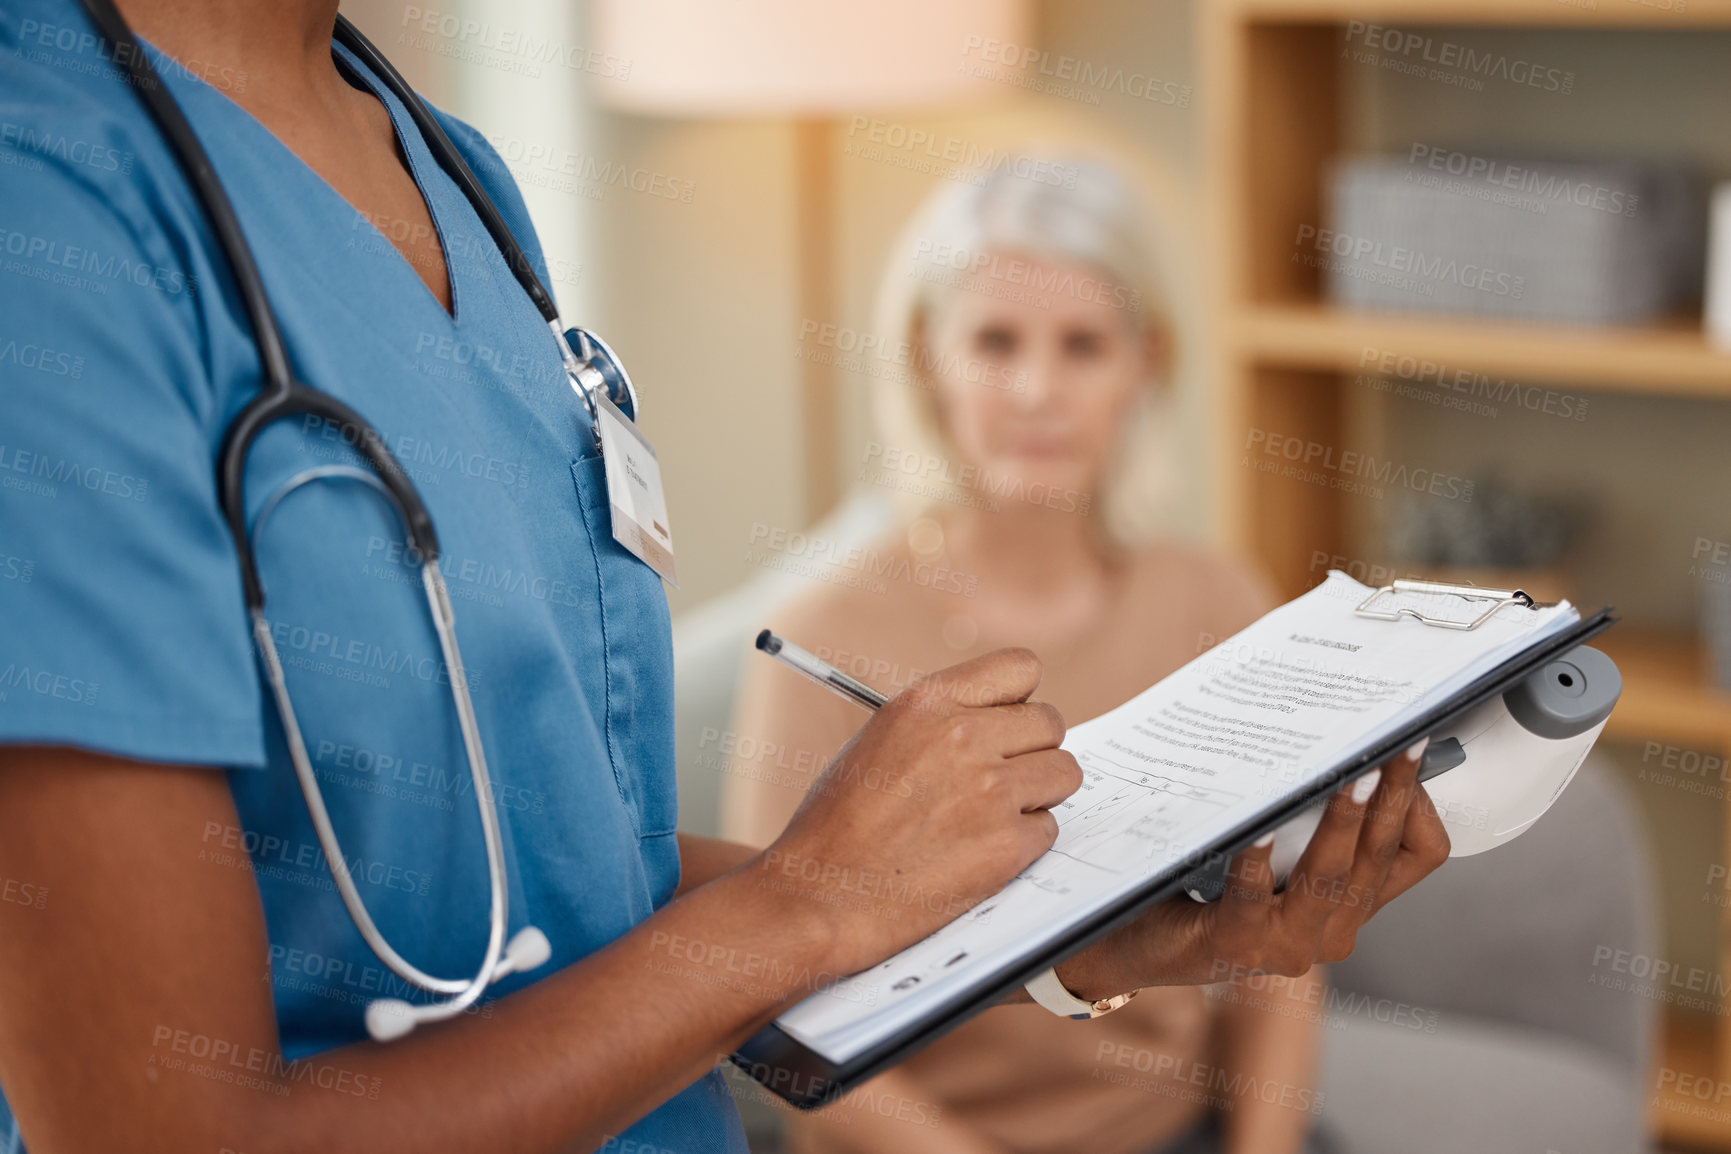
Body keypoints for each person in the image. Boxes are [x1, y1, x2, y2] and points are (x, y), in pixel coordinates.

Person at [0, 2, 1450, 1150]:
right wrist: (804, 903)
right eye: (996, 343)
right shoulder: (46, 214)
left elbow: (584, 864)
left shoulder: (450, 169)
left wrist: (1073, 928)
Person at [724, 158, 1339, 1154]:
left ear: (1150, 359)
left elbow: (1280, 955)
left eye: (1083, 345)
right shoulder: (822, 634)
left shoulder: (1219, 603)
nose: (1037, 390)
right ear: (929, 355)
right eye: (996, 341)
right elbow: (768, 1003)